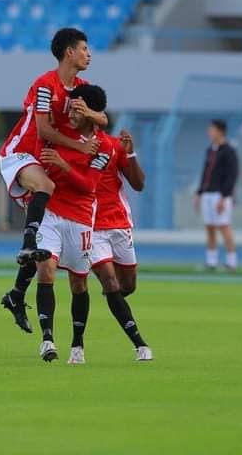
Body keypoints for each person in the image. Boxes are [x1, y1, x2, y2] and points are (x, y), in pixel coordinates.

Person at [0, 28, 109, 332]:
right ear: (69, 52)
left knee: (45, 250)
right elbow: (44, 130)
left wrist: (91, 113)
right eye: (85, 48)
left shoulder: (81, 87)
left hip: (41, 161)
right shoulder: (45, 85)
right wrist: (78, 146)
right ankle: (25, 244)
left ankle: (16, 294)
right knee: (46, 190)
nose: (89, 54)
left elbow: (104, 118)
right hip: (20, 153)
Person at [29, 84, 115, 362]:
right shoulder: (59, 133)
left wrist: (63, 166)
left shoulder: (104, 146)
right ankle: (47, 340)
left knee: (79, 284)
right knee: (46, 271)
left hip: (79, 218)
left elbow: (89, 186)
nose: (71, 113)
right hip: (51, 214)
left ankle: (77, 344)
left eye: (77, 109)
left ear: (89, 111)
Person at [89, 128, 153, 363]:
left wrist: (132, 155)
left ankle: (114, 299)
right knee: (110, 281)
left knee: (127, 285)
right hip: (90, 225)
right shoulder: (69, 143)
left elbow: (138, 184)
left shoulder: (115, 145)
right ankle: (140, 345)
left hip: (118, 223)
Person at [193, 120, 239, 271]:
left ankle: (231, 262)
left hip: (220, 195)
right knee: (210, 228)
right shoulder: (210, 150)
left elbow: (232, 176)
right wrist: (199, 193)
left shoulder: (229, 151)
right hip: (207, 194)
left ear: (220, 132)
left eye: (212, 130)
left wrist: (224, 196)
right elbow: (205, 173)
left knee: (224, 227)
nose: (209, 133)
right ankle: (211, 261)